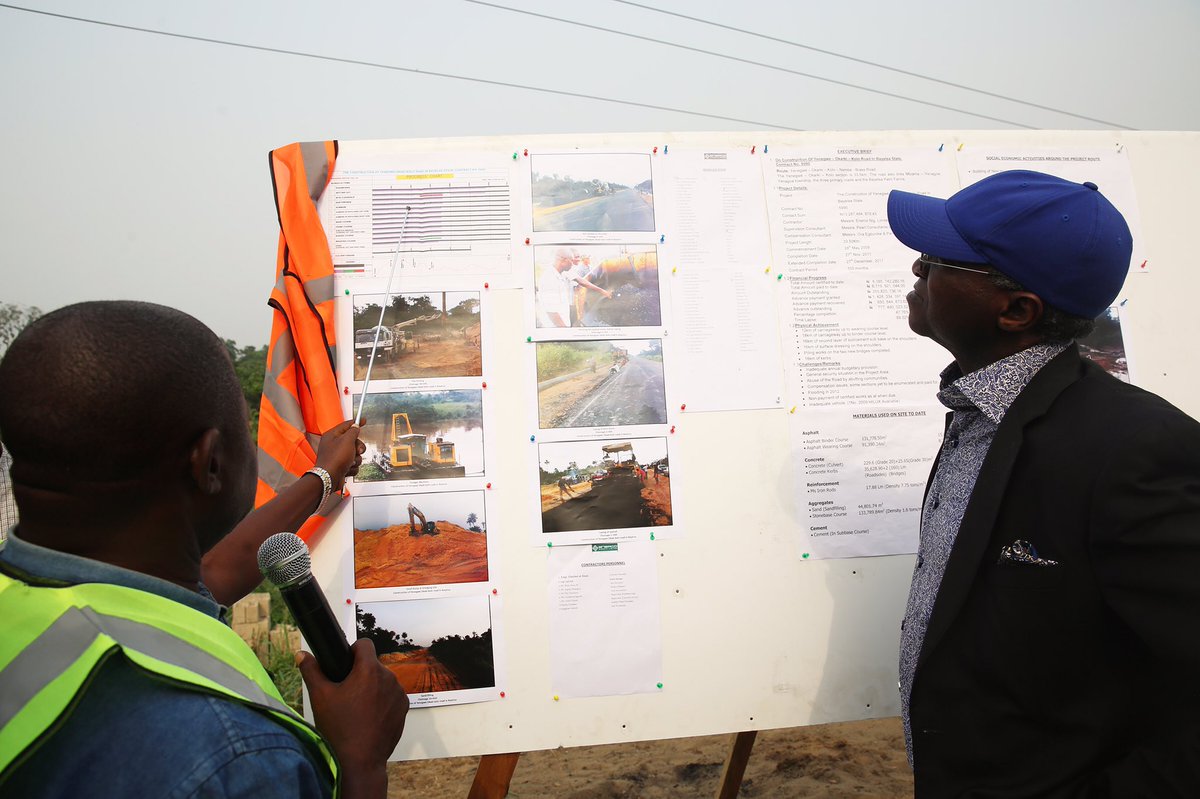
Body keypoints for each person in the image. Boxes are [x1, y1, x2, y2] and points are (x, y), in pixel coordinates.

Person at [0, 301, 409, 798]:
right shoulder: (236, 758)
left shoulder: (43, 596)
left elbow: (218, 569)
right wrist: (361, 763)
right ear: (210, 463)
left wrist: (321, 476)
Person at [887, 170, 1200, 797]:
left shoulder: (1135, 451)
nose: (917, 271)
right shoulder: (979, 417)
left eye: (939, 261)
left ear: (1016, 310)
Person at [535, 247, 575, 327]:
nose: (572, 264)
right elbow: (552, 312)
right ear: (564, 260)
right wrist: (565, 332)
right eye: (571, 260)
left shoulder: (561, 274)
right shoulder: (549, 278)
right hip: (556, 330)